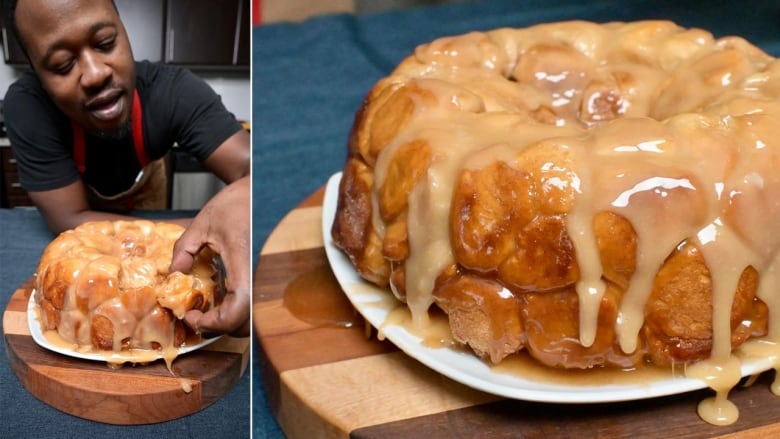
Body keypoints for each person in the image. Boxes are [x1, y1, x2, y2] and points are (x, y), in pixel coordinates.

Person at [3, 0, 250, 336]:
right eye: (62, 65)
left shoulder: (173, 90)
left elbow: (254, 168)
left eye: (105, 43)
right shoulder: (26, 107)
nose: (95, 73)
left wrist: (238, 207)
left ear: (125, 32)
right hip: (82, 220)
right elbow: (68, 217)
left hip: (147, 198)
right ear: (37, 74)